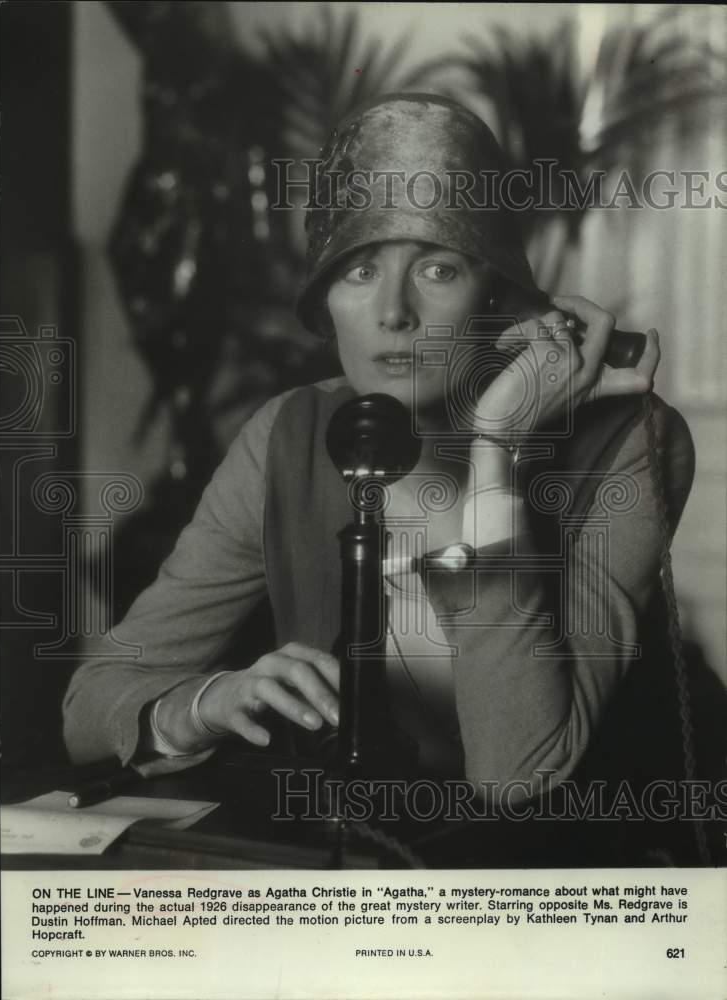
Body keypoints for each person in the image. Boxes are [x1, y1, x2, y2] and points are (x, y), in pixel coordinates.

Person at [63, 94, 694, 834]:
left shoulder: (627, 442)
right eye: (358, 272)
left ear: (494, 291)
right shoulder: (288, 436)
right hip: (352, 865)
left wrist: (497, 447)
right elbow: (93, 703)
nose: (393, 312)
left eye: (437, 270)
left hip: (564, 879)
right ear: (325, 298)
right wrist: (203, 705)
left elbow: (517, 773)